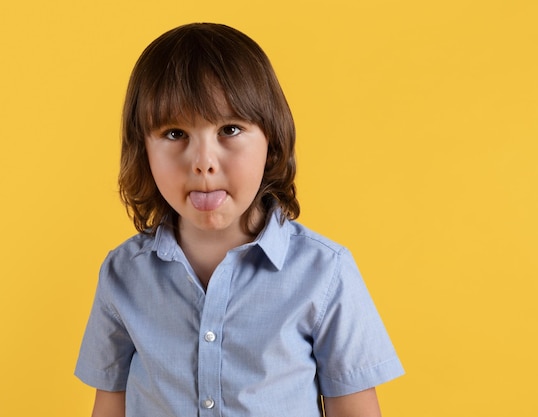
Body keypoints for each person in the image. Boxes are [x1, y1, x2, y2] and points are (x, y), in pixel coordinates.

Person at [75, 22, 404, 417]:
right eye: (175, 133)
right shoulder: (122, 275)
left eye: (230, 129)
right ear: (142, 148)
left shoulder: (325, 273)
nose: (203, 163)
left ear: (271, 138)